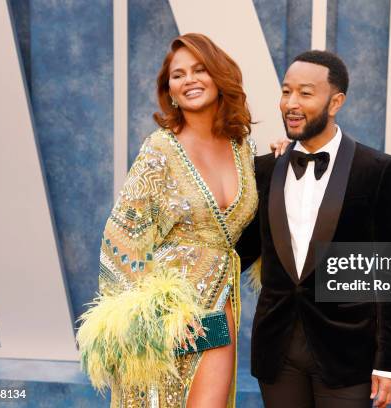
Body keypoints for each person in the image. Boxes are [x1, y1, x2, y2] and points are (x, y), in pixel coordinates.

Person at [76, 33, 259, 408]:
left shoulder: (243, 147)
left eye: (199, 69)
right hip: (166, 320)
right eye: (178, 75)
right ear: (170, 91)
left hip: (219, 307)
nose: (189, 79)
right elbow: (120, 238)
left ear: (219, 76)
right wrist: (159, 314)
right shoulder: (158, 150)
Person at [237, 50, 391, 408]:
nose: (291, 104)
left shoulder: (377, 170)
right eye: (286, 92)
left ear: (336, 102)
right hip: (277, 349)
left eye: (305, 92)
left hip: (347, 352)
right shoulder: (265, 169)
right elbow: (243, 250)